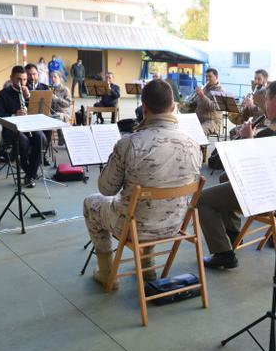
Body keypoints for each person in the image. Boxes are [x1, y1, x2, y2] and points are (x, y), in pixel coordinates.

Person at [83, 79, 201, 287]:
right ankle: (148, 267)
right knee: (153, 203)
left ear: (144, 108)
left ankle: (106, 271)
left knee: (91, 203)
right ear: (173, 108)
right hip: (175, 225)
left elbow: (106, 188)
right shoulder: (193, 144)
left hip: (134, 228)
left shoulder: (130, 143)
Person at [198, 79, 276, 269]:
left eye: (267, 99)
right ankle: (234, 234)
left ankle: (223, 253)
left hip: (269, 194)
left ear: (275, 99)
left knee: (202, 199)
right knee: (224, 179)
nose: (265, 105)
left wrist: (247, 140)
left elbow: (246, 165)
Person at [0, 66, 47, 188]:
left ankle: (30, 174)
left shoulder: (28, 92)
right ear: (11, 78)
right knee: (23, 142)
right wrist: (14, 114)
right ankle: (30, 174)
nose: (22, 82)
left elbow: (39, 112)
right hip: (11, 128)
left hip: (29, 126)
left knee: (41, 139)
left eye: (24, 79)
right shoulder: (2, 94)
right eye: (18, 79)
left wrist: (29, 98)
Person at [193, 67, 224, 136]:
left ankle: (202, 147)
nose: (207, 79)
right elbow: (197, 102)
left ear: (216, 77)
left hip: (212, 121)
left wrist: (202, 96)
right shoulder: (204, 89)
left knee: (200, 132)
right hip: (199, 119)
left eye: (210, 76)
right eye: (206, 76)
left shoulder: (220, 91)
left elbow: (214, 107)